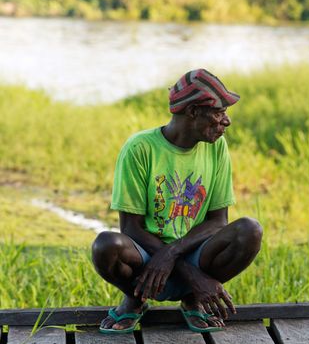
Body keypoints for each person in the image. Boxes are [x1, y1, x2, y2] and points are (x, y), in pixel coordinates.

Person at [92, 69, 263, 334]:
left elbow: (218, 221)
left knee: (250, 230)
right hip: (146, 258)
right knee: (106, 245)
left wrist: (173, 254)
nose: (226, 121)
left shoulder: (216, 146)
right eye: (219, 112)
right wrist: (187, 272)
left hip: (196, 251)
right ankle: (135, 300)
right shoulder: (140, 148)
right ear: (193, 112)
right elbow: (131, 229)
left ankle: (193, 300)